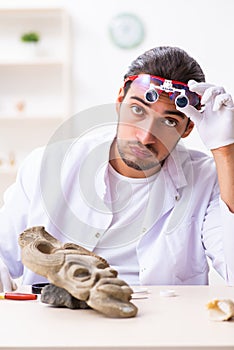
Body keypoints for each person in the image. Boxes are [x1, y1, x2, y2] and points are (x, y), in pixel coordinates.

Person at [0, 46, 233, 291]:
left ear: (188, 128)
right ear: (120, 99)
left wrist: (225, 150)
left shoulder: (208, 179)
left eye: (169, 121)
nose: (145, 137)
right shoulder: (46, 165)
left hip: (163, 326)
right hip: (55, 323)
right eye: (137, 110)